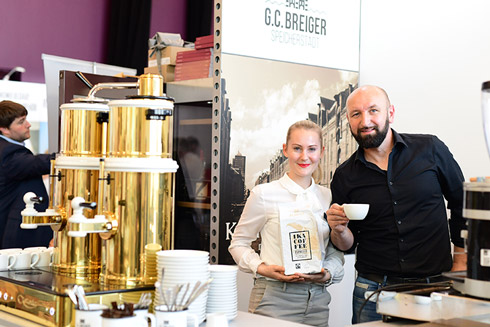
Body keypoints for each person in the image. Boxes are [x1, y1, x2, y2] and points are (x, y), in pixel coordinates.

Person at [325, 85, 466, 324]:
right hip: (373, 290)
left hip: (436, 285)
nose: (365, 120)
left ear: (390, 113)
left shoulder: (430, 149)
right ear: (348, 120)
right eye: (356, 114)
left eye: (373, 110)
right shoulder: (344, 175)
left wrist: (461, 260)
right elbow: (348, 245)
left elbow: (462, 203)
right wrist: (338, 230)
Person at [229, 120, 345, 327]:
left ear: (322, 151)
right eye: (297, 148)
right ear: (285, 150)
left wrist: (327, 273)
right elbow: (238, 244)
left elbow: (335, 251)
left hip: (317, 301)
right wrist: (262, 268)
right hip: (274, 299)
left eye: (312, 149)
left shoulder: (327, 197)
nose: (304, 156)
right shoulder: (263, 194)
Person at [0, 100, 53, 249]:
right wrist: (68, 156)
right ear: (4, 129)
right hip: (16, 236)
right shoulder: (8, 153)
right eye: (21, 122)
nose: (28, 124)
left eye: (26, 119)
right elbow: (37, 164)